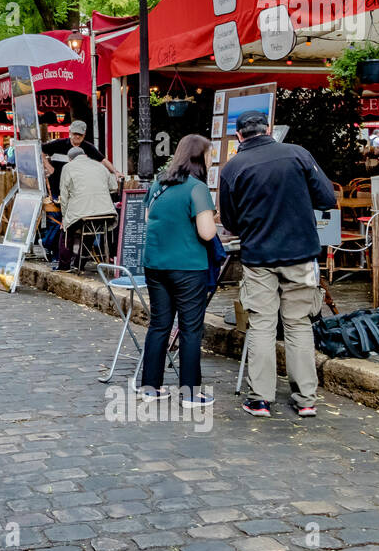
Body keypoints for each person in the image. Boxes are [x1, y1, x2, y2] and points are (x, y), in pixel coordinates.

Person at [218, 109, 337, 418]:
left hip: (259, 256)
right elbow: (326, 197)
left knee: (262, 324)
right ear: (269, 128)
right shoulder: (298, 154)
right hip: (300, 253)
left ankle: (260, 399)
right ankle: (306, 399)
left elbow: (229, 222)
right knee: (299, 323)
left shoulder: (233, 168)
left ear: (239, 136)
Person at [139, 136, 218, 407]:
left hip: (155, 265)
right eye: (209, 155)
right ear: (198, 158)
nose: (211, 160)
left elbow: (150, 218)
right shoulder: (197, 189)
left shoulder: (159, 183)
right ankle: (190, 393)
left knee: (159, 324)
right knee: (190, 329)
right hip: (188, 266)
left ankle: (150, 387)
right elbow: (207, 233)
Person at [56, 146, 118, 272]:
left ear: (70, 159)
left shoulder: (68, 167)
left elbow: (64, 195)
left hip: (81, 212)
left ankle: (64, 266)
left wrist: (64, 217)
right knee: (91, 229)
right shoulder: (100, 166)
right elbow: (114, 186)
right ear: (85, 155)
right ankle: (80, 264)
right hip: (107, 213)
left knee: (67, 230)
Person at [43, 121, 119, 199]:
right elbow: (39, 150)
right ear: (70, 132)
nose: (77, 137)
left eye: (80, 134)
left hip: (78, 190)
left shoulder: (88, 147)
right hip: (57, 185)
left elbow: (103, 160)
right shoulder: (58, 144)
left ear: (84, 134)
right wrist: (48, 166)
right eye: (75, 133)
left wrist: (115, 172)